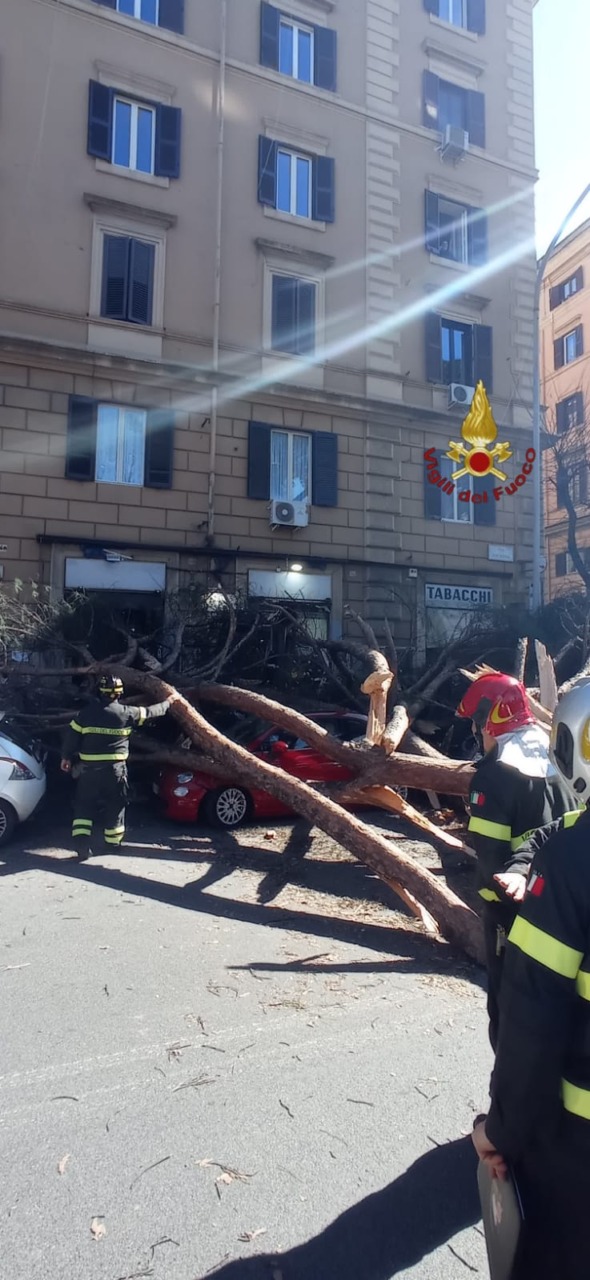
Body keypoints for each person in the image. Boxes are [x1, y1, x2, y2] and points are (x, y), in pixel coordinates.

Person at [473, 679, 590, 1280]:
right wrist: (529, 862)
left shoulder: (495, 776)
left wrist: (501, 1129)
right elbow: (553, 830)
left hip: (574, 1149)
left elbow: (533, 1020)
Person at [456, 672, 579, 1048]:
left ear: (489, 720)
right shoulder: (557, 758)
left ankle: (505, 1100)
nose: (478, 733)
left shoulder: (494, 777)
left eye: (478, 724)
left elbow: (492, 860)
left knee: (507, 1014)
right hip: (561, 905)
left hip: (509, 914)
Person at [61, 674, 177, 860]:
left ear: (100, 691)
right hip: (115, 771)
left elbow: (71, 737)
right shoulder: (126, 712)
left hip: (89, 771)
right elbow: (151, 712)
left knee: (84, 806)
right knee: (115, 805)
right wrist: (169, 701)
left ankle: (82, 845)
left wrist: (66, 757)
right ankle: (112, 843)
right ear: (119, 693)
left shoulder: (86, 713)